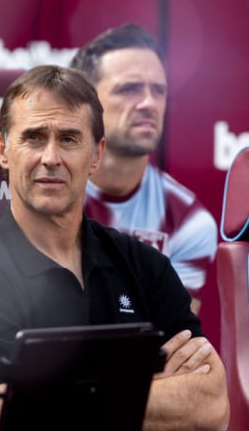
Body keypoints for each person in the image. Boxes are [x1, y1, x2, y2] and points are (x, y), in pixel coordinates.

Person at [0, 65, 229, 431]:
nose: (51, 157)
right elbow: (17, 426)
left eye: (69, 139)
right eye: (34, 138)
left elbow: (212, 406)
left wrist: (54, 399)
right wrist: (148, 391)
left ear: (96, 154)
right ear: (3, 150)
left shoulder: (143, 265)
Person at [69, 23, 217, 314]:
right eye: (130, 89)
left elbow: (174, 341)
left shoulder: (188, 220)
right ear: (84, 104)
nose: (149, 103)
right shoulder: (45, 192)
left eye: (158, 90)